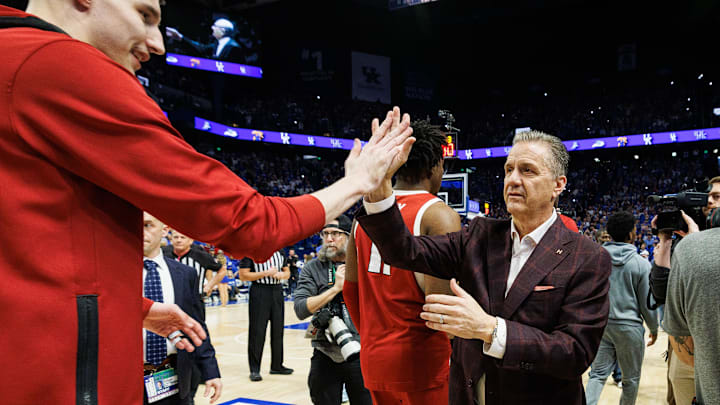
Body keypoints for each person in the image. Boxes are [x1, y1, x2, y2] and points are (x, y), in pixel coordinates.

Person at [0, 1, 415, 403]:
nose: (158, 42)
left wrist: (134, 306)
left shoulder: (13, 58)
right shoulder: (63, 67)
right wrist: (357, 181)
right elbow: (253, 223)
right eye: (144, 16)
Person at [357, 129, 612, 404]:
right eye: (509, 170)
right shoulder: (480, 235)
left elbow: (574, 353)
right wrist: (379, 187)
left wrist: (490, 330)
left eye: (527, 171)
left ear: (558, 185)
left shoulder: (588, 257)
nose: (513, 180)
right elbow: (403, 251)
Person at [344, 120, 461, 404]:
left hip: (375, 358)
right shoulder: (438, 215)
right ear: (434, 166)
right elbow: (442, 312)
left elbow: (350, 290)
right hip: (421, 362)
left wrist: (375, 338)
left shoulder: (364, 217)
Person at [142, 213, 222, 405]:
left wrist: (210, 370)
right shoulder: (113, 272)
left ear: (164, 230)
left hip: (175, 376)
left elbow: (195, 325)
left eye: (148, 225)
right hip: (126, 377)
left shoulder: (186, 274)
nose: (140, 231)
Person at [294, 216, 373, 405]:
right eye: (325, 234)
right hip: (326, 351)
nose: (329, 239)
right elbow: (300, 309)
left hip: (362, 351)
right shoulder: (313, 267)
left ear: (349, 237)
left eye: (335, 234)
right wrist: (336, 288)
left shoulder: (366, 263)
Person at [584, 211, 658, 405]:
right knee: (630, 380)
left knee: (597, 374)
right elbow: (646, 303)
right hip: (629, 327)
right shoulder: (640, 264)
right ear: (631, 235)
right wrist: (654, 328)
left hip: (602, 325)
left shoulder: (596, 260)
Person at [238, 250, 293, 381]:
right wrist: (265, 273)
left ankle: (277, 365)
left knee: (278, 330)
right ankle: (255, 369)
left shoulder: (280, 252)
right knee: (257, 331)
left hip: (277, 291)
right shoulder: (250, 251)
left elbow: (287, 272)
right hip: (259, 291)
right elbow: (243, 275)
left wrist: (281, 274)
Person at [163, 231, 224, 307]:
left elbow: (222, 270)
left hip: (194, 302)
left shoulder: (201, 255)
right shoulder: (163, 253)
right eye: (176, 237)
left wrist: (209, 286)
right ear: (171, 240)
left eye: (182, 237)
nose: (179, 240)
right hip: (169, 301)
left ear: (190, 240)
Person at [165, 18, 241, 61]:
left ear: (223, 31)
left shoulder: (234, 47)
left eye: (215, 26)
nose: (212, 28)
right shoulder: (216, 44)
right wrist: (180, 37)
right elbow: (201, 49)